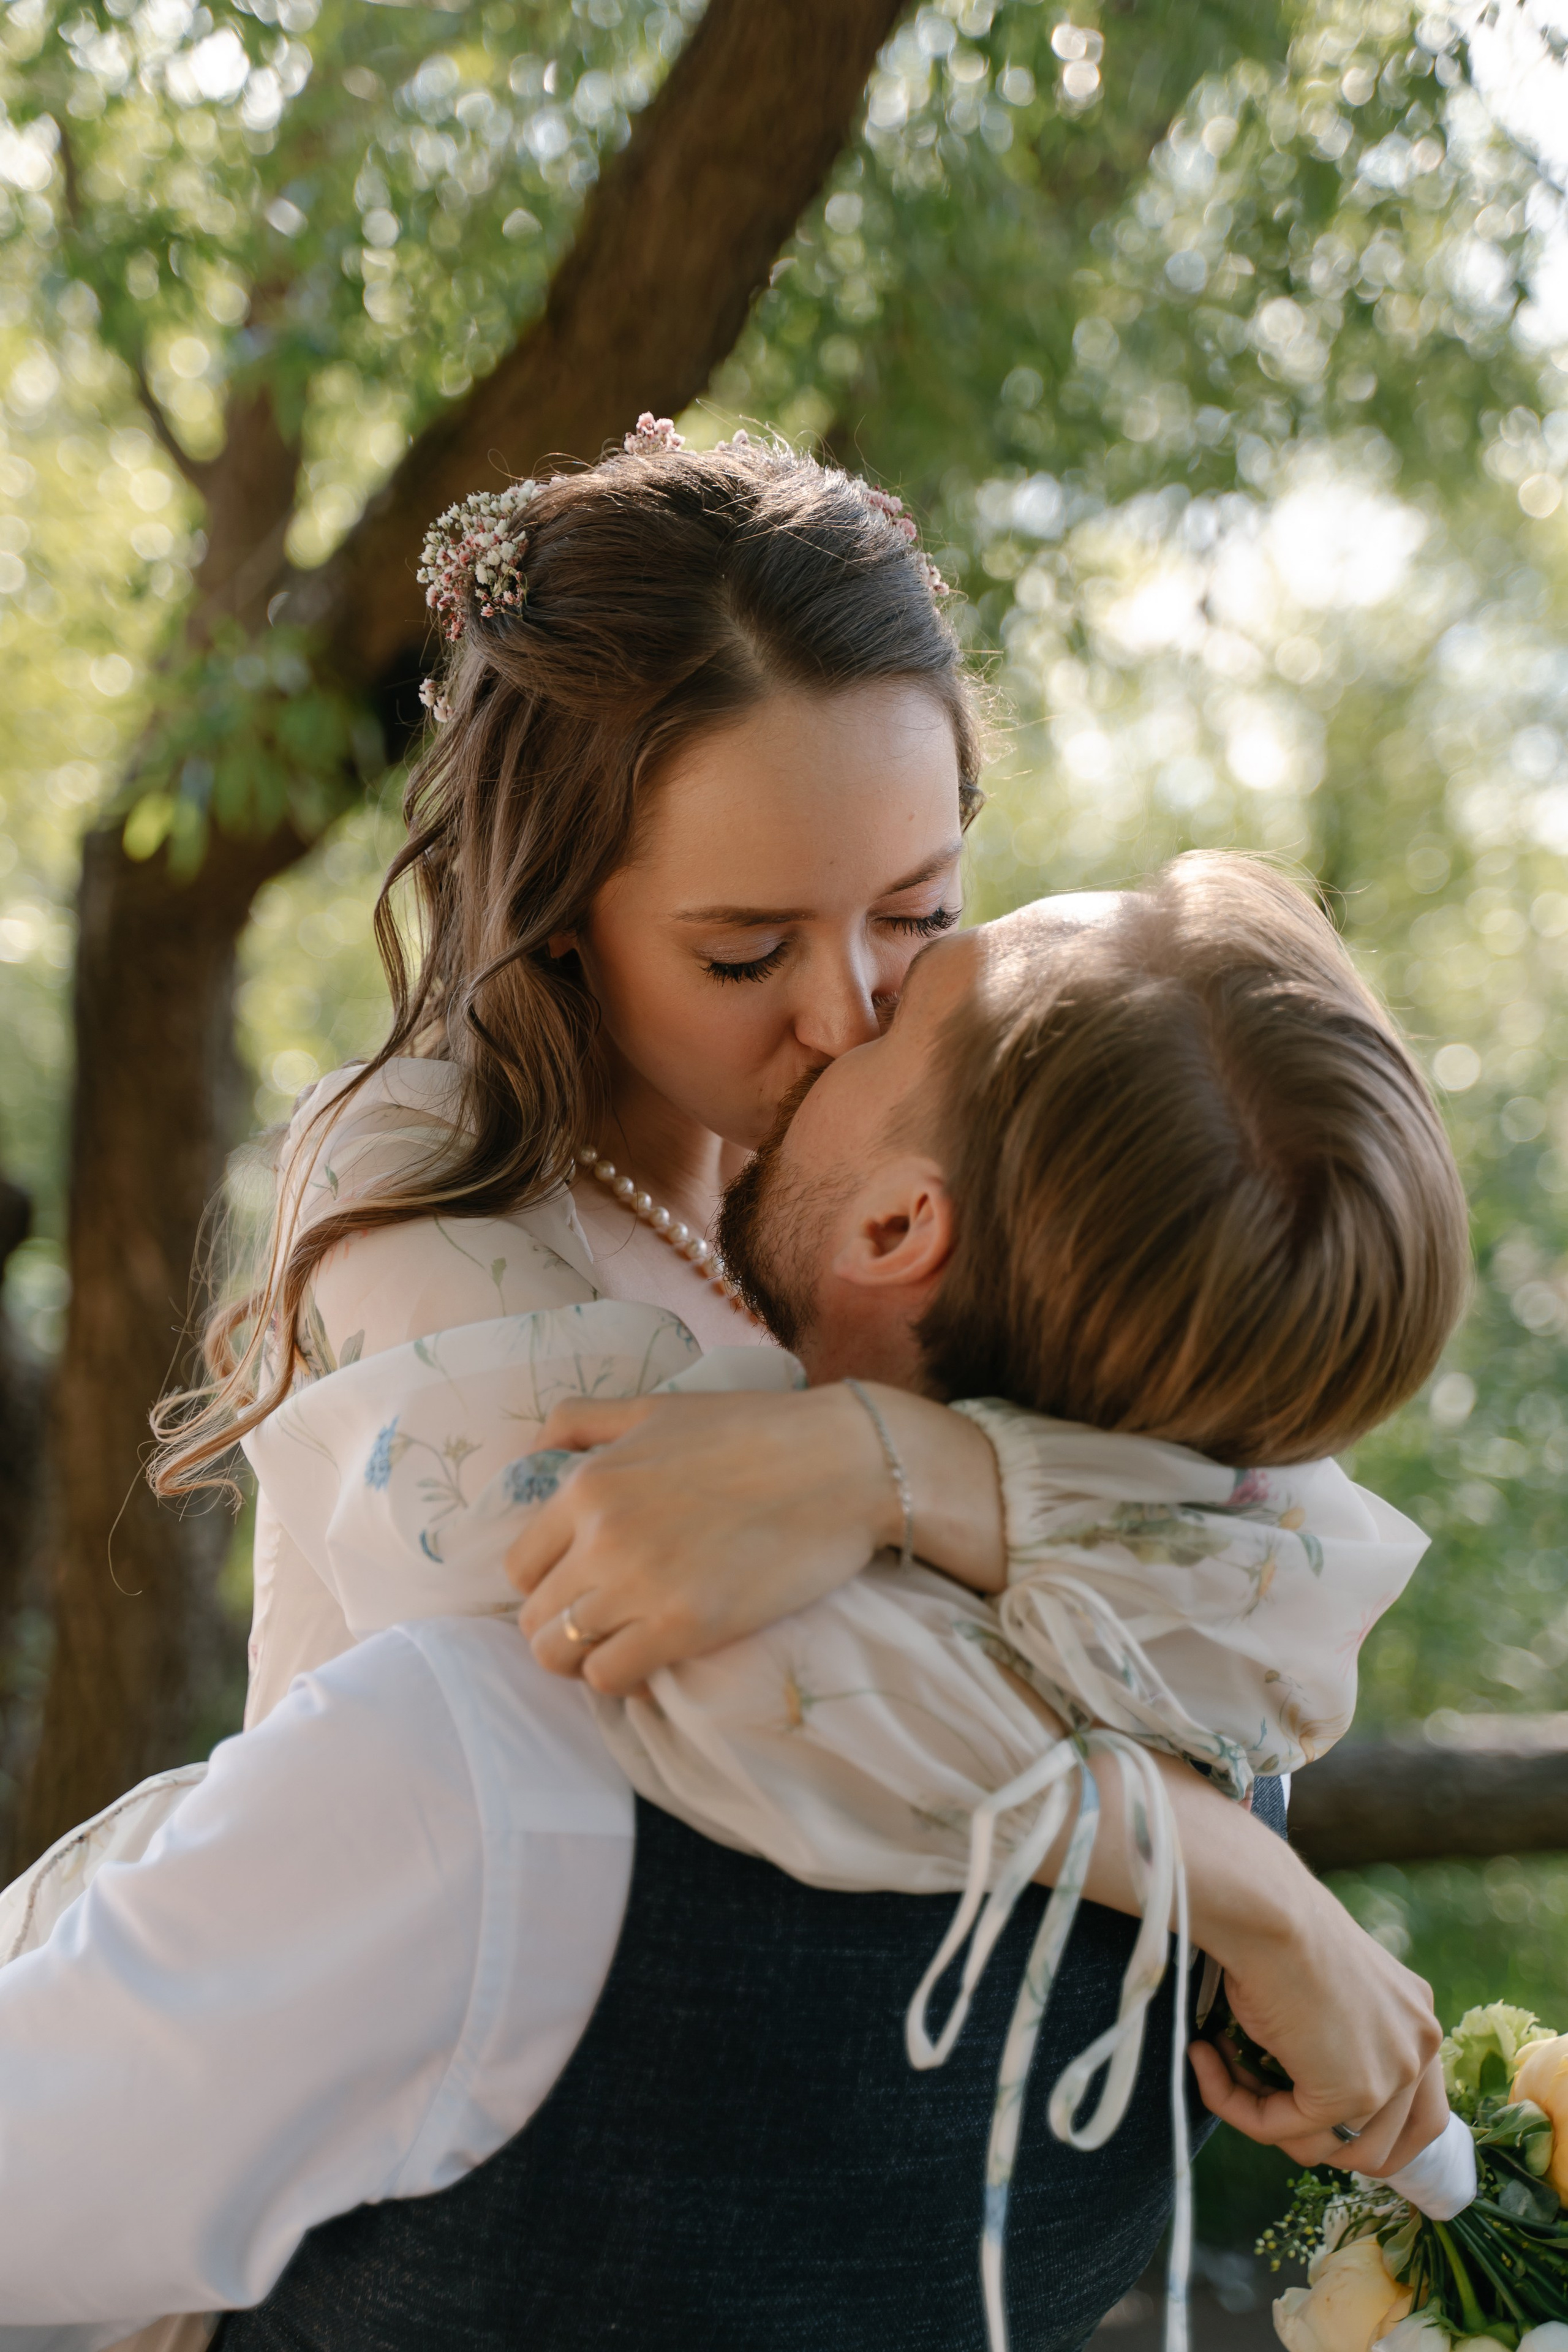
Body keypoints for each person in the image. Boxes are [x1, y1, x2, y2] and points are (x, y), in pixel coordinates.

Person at [0, 872, 1450, 2351]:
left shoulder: (486, 1750)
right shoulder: (1236, 1734)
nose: (837, 1019)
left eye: (909, 981)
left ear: (896, 1228)